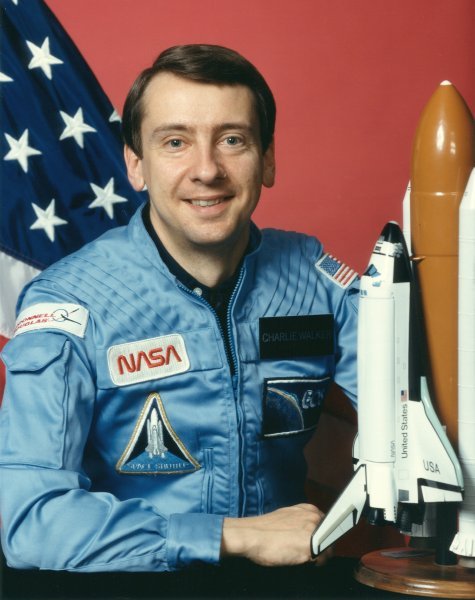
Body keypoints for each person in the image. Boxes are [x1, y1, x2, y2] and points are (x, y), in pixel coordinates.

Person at [0, 44, 358, 572]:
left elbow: (418, 404)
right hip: (133, 584)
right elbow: (31, 522)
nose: (206, 170)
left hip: (286, 582)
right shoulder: (72, 304)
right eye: (175, 142)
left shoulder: (312, 281)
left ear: (268, 159)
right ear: (136, 164)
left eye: (232, 140)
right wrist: (232, 537)